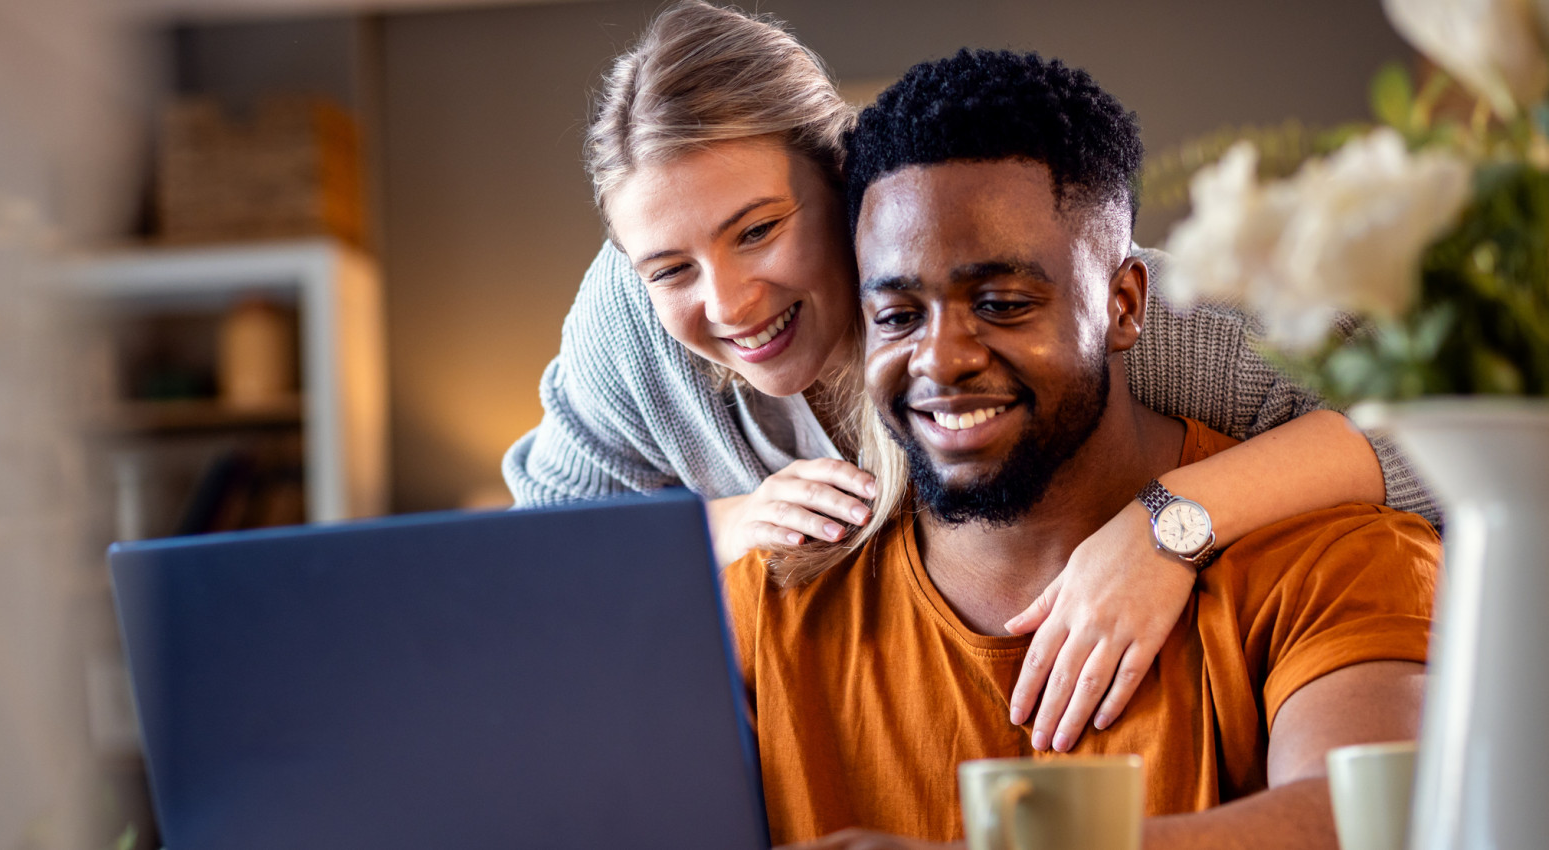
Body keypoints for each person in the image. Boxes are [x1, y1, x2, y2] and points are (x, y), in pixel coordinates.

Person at [503, 0, 1437, 751]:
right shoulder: (635, 324)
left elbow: (1443, 427)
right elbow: (534, 562)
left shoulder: (1082, 313)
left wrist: (1166, 527)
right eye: (668, 267)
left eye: (757, 230)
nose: (731, 300)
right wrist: (720, 526)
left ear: (851, 187)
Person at [721, 48, 1439, 850]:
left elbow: (1365, 822)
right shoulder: (765, 614)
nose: (941, 358)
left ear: (1124, 304)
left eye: (1001, 304)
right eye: (897, 317)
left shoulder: (1332, 559)